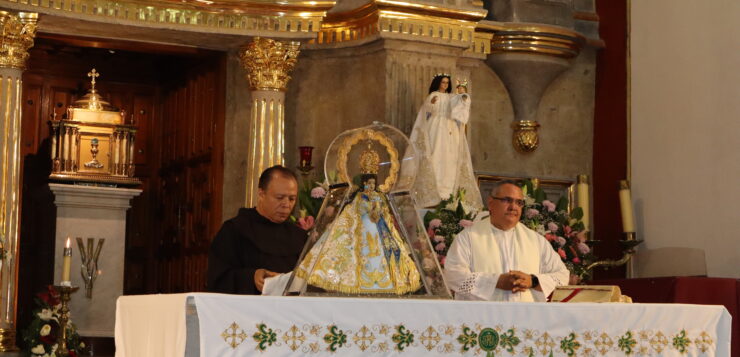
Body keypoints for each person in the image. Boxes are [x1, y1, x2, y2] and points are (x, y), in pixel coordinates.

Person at [294, 146, 422, 295]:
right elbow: (356, 211)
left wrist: (378, 210)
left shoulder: (379, 197)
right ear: (364, 182)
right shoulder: (359, 197)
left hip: (380, 230)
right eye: (369, 183)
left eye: (373, 183)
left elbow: (385, 212)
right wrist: (370, 208)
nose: (371, 186)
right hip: (360, 230)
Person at [443, 180, 569, 301]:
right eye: (507, 200)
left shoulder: (536, 241)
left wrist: (533, 280)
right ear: (491, 203)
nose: (513, 207)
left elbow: (562, 276)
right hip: (482, 319)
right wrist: (495, 282)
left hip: (525, 317)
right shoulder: (468, 238)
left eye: (519, 202)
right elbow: (452, 276)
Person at [207, 166, 306, 294]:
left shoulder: (299, 237)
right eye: (280, 197)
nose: (286, 204)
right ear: (261, 194)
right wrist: (251, 277)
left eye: (292, 199)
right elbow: (218, 279)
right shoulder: (235, 230)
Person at [407, 74, 482, 210]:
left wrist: (463, 96)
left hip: (450, 129)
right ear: (438, 83)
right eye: (443, 82)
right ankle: (433, 191)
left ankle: (448, 193)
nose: (445, 85)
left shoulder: (451, 96)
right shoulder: (433, 95)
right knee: (435, 155)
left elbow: (461, 108)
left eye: (447, 83)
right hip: (436, 128)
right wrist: (432, 104)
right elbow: (427, 110)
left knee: (450, 159)